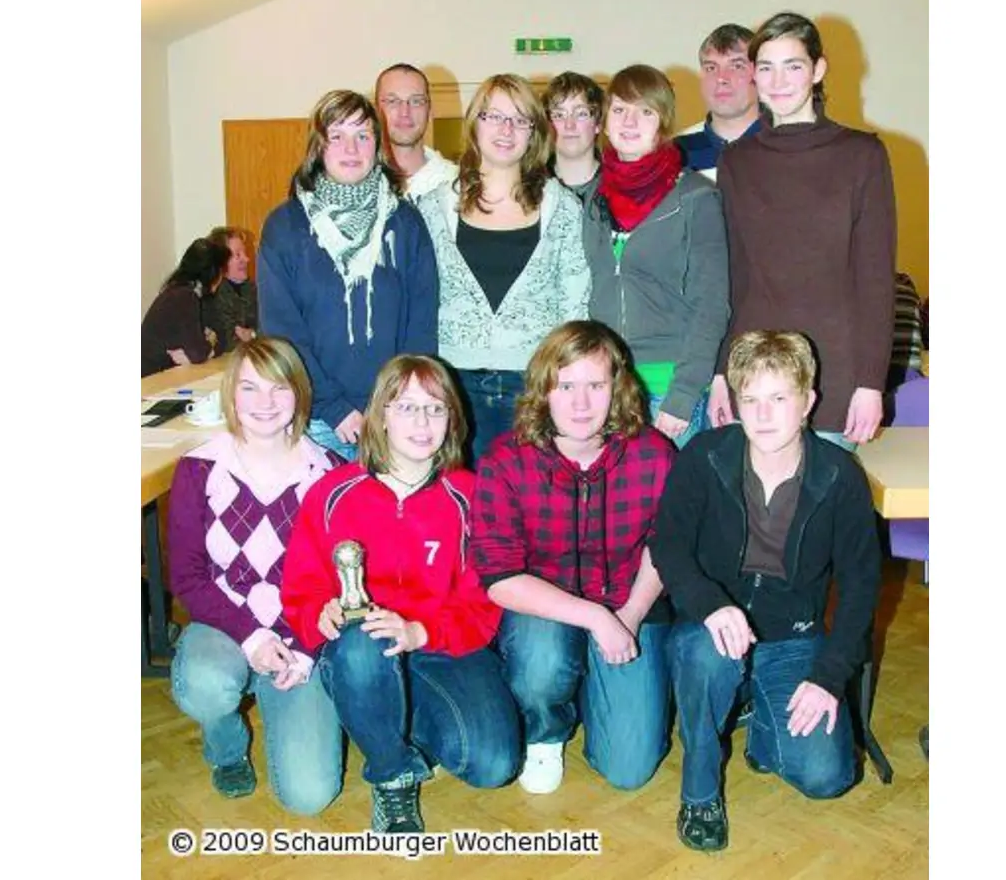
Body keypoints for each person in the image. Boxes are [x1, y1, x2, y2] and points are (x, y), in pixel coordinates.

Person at [652, 330, 882, 851]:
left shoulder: (840, 476)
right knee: (707, 657)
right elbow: (667, 545)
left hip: (791, 636)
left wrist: (827, 677)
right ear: (734, 404)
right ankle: (701, 792)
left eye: (779, 398)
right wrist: (710, 606)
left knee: (826, 777)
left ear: (808, 402)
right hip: (711, 628)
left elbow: (861, 586)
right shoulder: (704, 457)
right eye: (750, 399)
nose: (763, 414)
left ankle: (759, 719)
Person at [281, 355, 519, 834]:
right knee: (363, 646)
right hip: (362, 651)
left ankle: (382, 717)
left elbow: (485, 606)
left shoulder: (471, 497)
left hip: (441, 646)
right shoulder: (332, 493)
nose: (422, 422)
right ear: (380, 415)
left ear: (453, 418)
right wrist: (320, 613)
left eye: (435, 409)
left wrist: (420, 631)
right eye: (406, 407)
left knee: (493, 765)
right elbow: (301, 588)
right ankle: (391, 774)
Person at [472, 320, 678, 795]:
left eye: (595, 385)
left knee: (629, 770)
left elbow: (666, 547)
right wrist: (594, 618)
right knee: (542, 659)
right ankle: (545, 729)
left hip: (631, 603)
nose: (581, 403)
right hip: (544, 610)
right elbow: (500, 576)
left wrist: (626, 616)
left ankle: (593, 684)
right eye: (565, 386)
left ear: (617, 388)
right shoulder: (506, 460)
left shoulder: (653, 454)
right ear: (543, 390)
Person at [165, 336, 346, 813]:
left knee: (310, 797)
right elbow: (187, 579)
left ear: (299, 394)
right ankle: (226, 746)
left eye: (279, 388)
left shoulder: (330, 474)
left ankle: (274, 686)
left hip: (301, 631)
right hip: (225, 622)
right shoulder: (198, 469)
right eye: (249, 388)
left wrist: (305, 652)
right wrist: (252, 640)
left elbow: (336, 584)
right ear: (230, 395)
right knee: (206, 683)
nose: (265, 403)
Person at [709, 11, 897, 453]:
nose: (778, 81)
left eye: (792, 65)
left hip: (835, 376)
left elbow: (874, 280)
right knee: (757, 517)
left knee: (822, 515)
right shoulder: (737, 161)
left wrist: (870, 383)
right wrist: (721, 373)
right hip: (754, 376)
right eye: (766, 67)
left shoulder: (861, 155)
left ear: (818, 70)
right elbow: (732, 278)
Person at [414, 73, 591, 461]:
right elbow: (417, 303)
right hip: (451, 388)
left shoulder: (562, 208)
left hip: (532, 389)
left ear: (534, 132)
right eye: (493, 116)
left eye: (520, 119)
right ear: (474, 124)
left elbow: (575, 305)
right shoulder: (432, 210)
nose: (506, 129)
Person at [257, 89, 440, 462]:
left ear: (378, 145)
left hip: (393, 419)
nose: (350, 148)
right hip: (315, 420)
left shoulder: (405, 223)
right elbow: (281, 330)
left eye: (362, 135)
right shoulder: (286, 226)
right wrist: (333, 406)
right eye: (336, 136)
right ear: (318, 146)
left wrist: (396, 404)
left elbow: (421, 324)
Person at [585, 64, 729, 448]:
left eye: (644, 111)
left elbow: (712, 304)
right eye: (619, 110)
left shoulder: (695, 197)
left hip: (669, 391)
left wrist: (683, 395)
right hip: (608, 389)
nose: (629, 122)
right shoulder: (595, 198)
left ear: (662, 122)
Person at [676, 23, 764, 181]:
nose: (721, 78)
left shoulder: (791, 143)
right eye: (711, 68)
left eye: (737, 66)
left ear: (760, 74)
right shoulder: (674, 155)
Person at [141, 236, 226, 376]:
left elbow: (221, 337)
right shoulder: (185, 296)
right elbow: (198, 353)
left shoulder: (182, 292)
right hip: (151, 378)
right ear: (212, 272)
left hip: (165, 373)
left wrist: (207, 345)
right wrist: (210, 343)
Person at [374, 63, 456, 203]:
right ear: (375, 110)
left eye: (416, 101)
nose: (405, 112)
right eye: (392, 101)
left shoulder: (457, 185)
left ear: (430, 111)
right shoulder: (358, 182)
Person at [542, 72, 604, 204]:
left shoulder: (620, 188)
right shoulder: (530, 190)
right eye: (559, 115)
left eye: (581, 114)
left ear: (598, 123)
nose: (569, 125)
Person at [201, 225, 259, 353]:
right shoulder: (211, 294)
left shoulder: (253, 288)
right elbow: (226, 342)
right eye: (238, 255)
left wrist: (253, 335)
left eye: (245, 253)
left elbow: (273, 331)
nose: (247, 259)